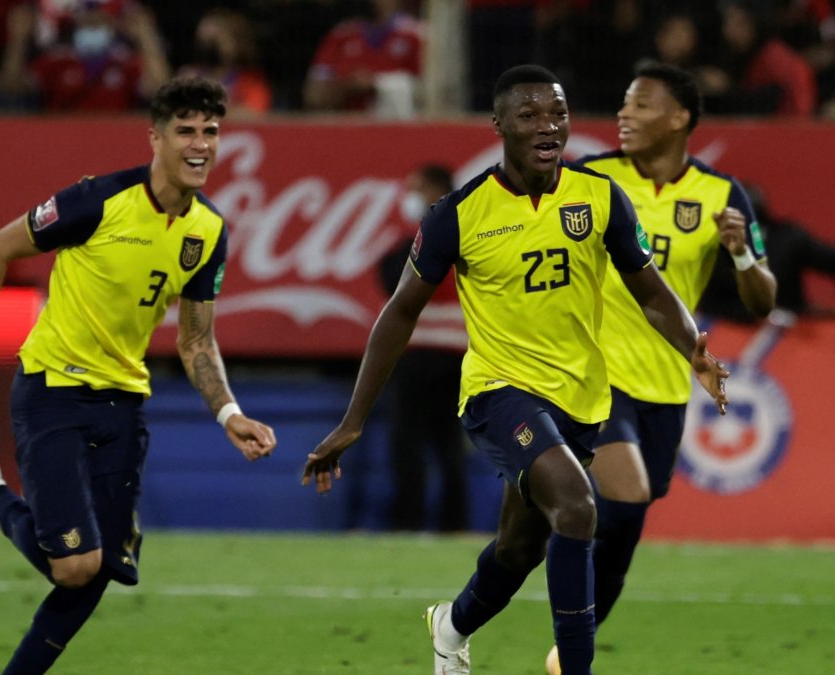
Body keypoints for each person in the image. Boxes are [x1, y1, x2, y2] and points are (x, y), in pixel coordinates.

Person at [302, 64, 729, 675]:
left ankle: (450, 627)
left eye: (558, 114)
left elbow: (653, 291)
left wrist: (694, 350)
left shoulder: (599, 197)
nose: (547, 126)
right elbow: (399, 315)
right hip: (499, 392)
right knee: (578, 507)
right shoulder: (459, 214)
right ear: (499, 125)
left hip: (581, 398)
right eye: (529, 115)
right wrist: (353, 421)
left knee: (520, 548)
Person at [0, 76, 277, 674]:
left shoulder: (209, 231)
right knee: (75, 565)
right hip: (53, 391)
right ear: (155, 138)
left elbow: (196, 340)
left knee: (102, 572)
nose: (200, 144)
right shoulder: (96, 200)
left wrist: (229, 413)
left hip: (123, 405)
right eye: (185, 131)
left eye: (211, 131)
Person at [543, 61, 775, 674]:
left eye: (641, 105)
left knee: (630, 515)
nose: (624, 114)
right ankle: (572, 626)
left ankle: (572, 638)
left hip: (667, 385)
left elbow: (764, 299)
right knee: (627, 496)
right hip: (596, 371)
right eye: (624, 103)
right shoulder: (592, 178)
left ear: (679, 119)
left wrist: (742, 255)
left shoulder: (722, 196)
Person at [377, 164, 470, 532]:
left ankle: (408, 520)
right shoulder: (475, 231)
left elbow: (393, 278)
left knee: (409, 442)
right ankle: (454, 524)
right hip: (460, 353)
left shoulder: (427, 236)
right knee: (450, 442)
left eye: (417, 189)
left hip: (420, 352)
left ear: (436, 191)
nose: (411, 196)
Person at [698, 184, 835, 322]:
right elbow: (706, 303)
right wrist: (749, 316)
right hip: (733, 333)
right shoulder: (714, 252)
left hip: (792, 332)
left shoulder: (787, 240)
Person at [0, 0, 171, 112]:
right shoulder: (56, 62)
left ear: (112, 26)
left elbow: (159, 87)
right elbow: (13, 85)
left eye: (98, 22)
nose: (92, 28)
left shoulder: (125, 63)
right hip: (62, 139)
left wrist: (145, 35)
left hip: (115, 139)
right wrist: (18, 39)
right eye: (87, 23)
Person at [302, 0, 423, 116]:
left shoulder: (417, 35)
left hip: (398, 124)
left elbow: (428, 94)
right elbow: (313, 96)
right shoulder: (340, 36)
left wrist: (378, 85)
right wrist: (349, 85)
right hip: (348, 123)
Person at [176, 7, 272, 118]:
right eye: (203, 41)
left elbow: (256, 113)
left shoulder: (250, 81)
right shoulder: (188, 78)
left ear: (237, 43)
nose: (209, 48)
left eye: (215, 41)